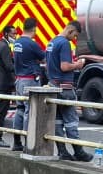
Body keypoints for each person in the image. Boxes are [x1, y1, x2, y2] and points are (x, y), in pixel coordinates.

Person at [44, 21, 92, 161]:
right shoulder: (65, 43)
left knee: (58, 121)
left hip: (53, 86)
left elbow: (48, 65)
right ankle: (79, 152)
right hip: (65, 88)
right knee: (71, 121)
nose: (74, 38)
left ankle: (62, 151)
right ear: (70, 30)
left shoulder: (52, 42)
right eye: (75, 35)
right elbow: (64, 67)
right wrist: (78, 64)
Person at [10, 18, 46, 152]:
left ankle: (17, 141)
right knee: (29, 111)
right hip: (30, 80)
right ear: (34, 29)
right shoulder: (32, 44)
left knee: (19, 110)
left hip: (19, 80)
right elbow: (44, 58)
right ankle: (27, 143)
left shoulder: (17, 42)